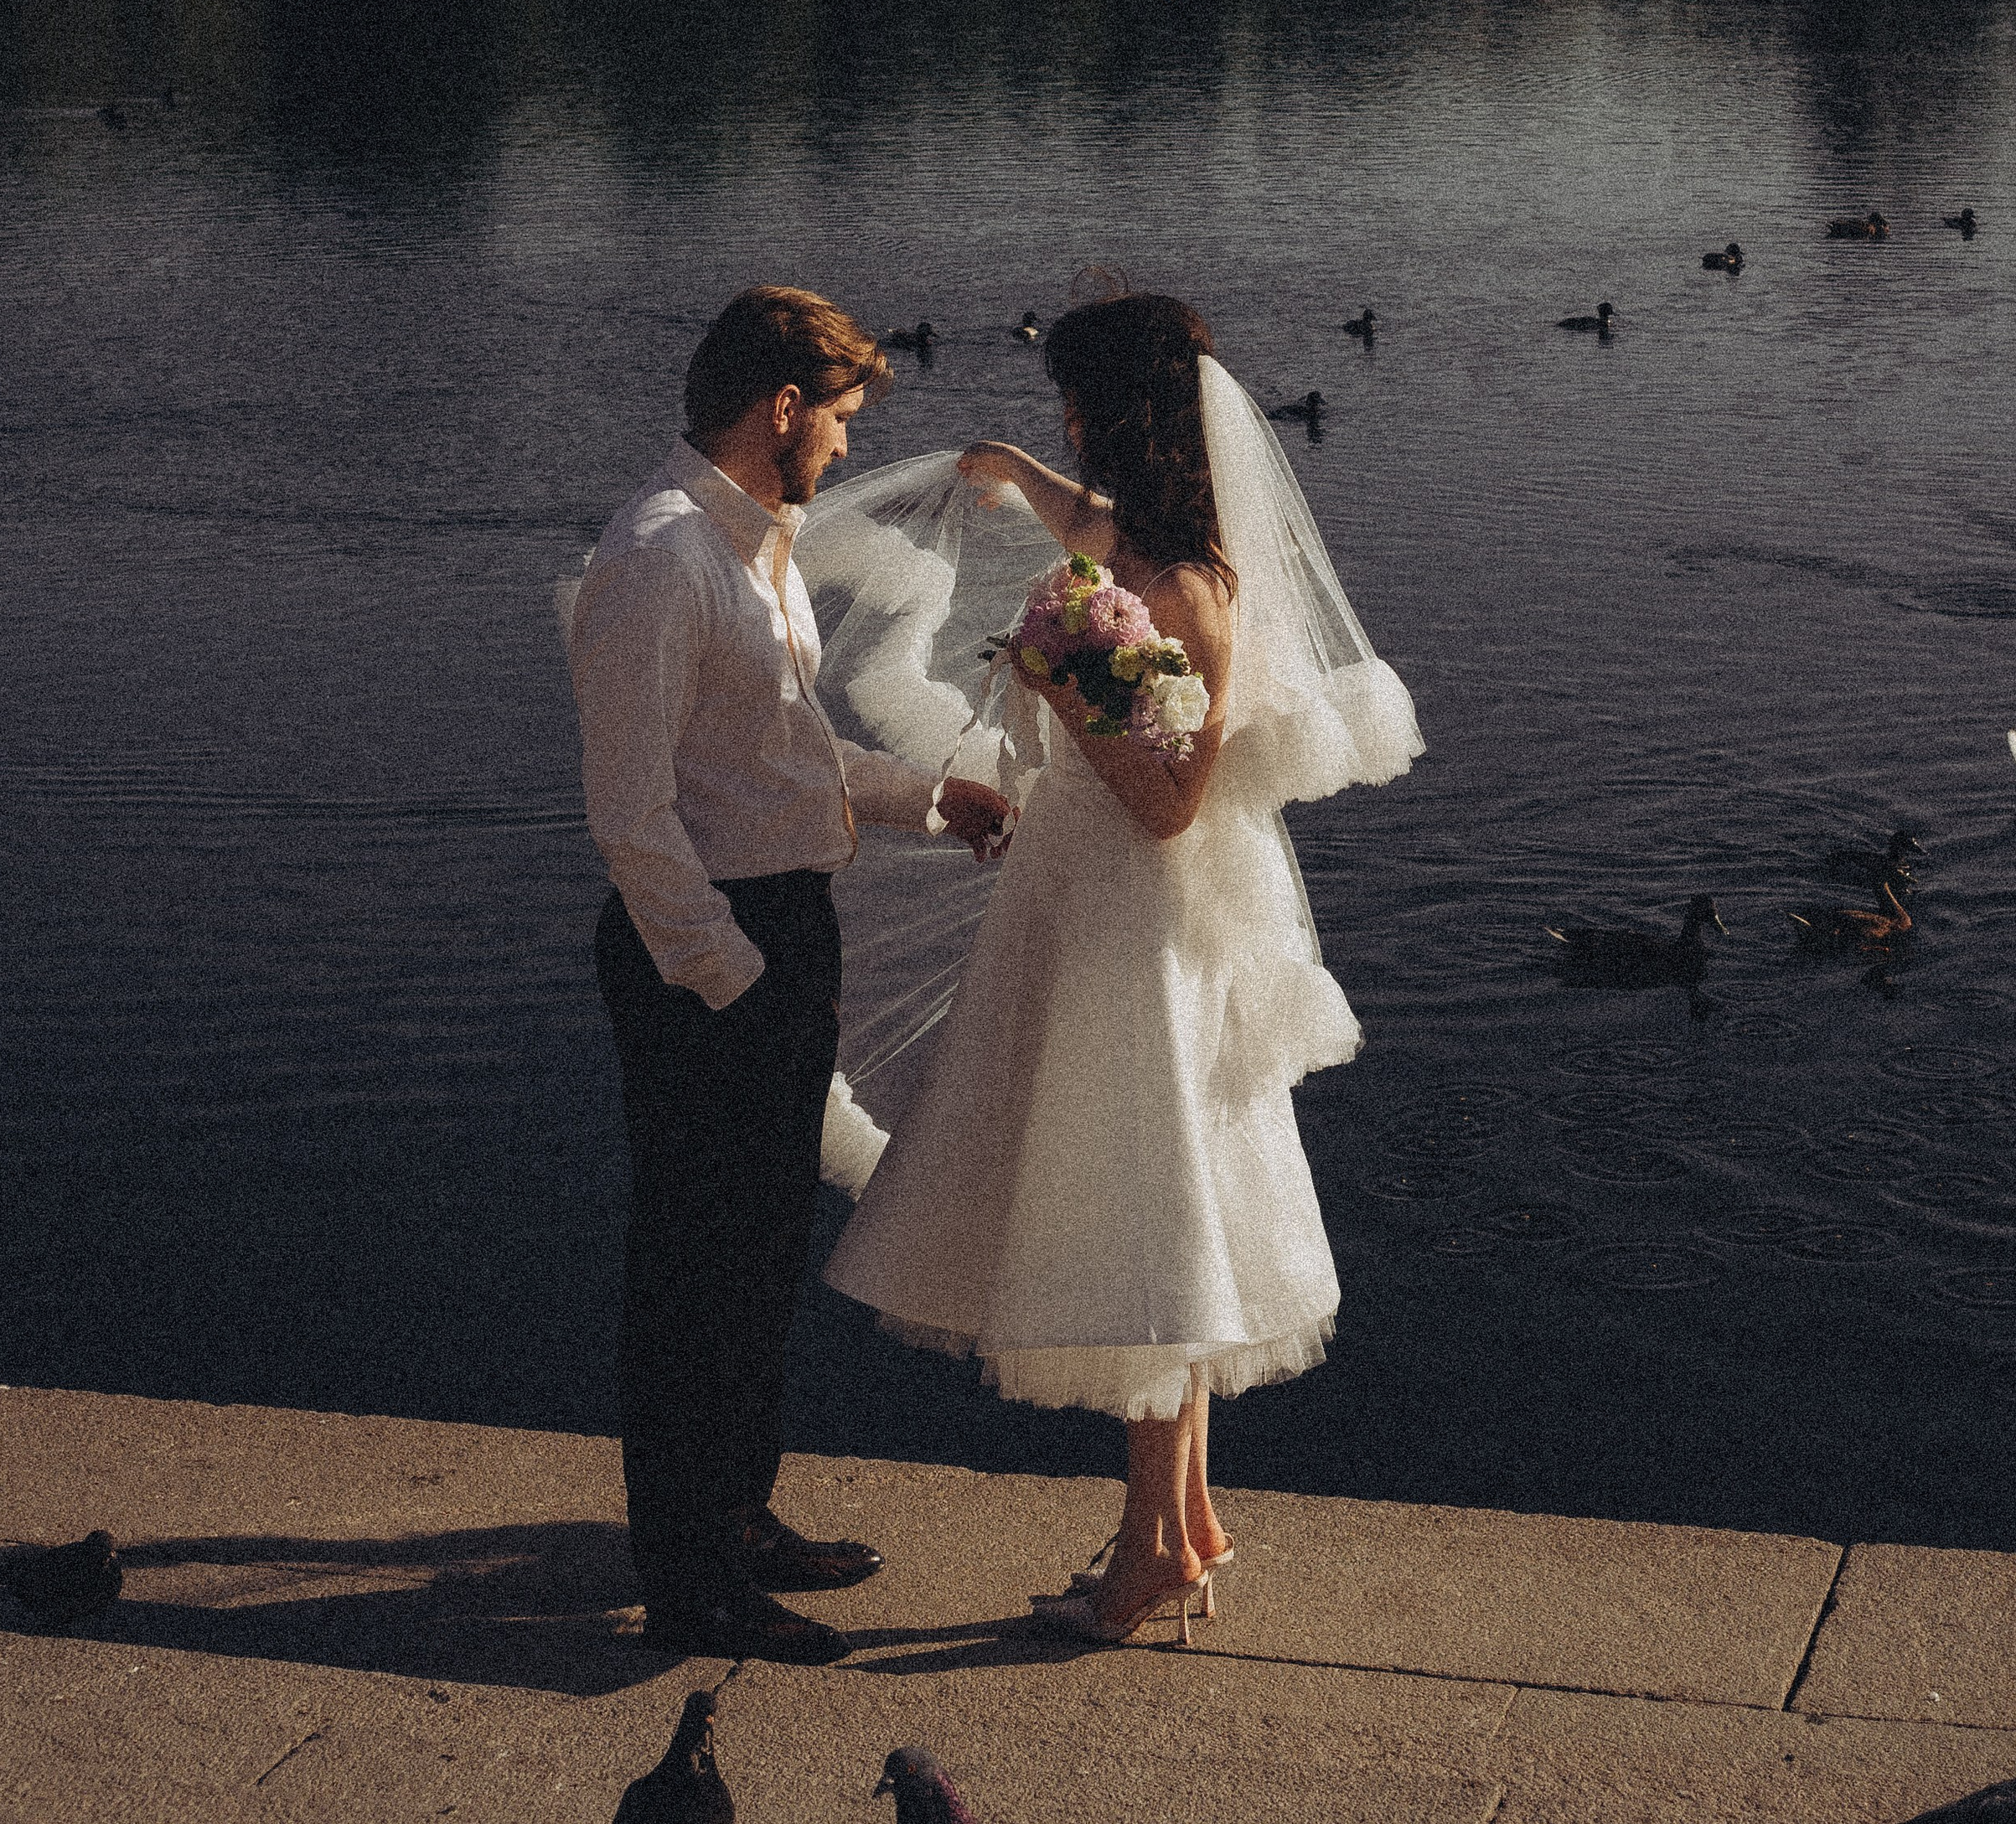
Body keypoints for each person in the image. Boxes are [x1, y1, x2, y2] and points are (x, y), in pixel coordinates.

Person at [823, 293, 1423, 1644]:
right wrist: (1011, 479)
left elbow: (1170, 800)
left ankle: (1155, 1548)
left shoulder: (1187, 591)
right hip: (1087, 909)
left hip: (1137, 929)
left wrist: (1058, 673)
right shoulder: (1138, 550)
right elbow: (1089, 537)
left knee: (1146, 1222)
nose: (1066, 430)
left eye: (1074, 409)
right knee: (1170, 1213)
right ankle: (1182, 1523)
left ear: (1120, 413)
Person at [569, 286, 1012, 1663]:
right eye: (837, 419)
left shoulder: (751, 550)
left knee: (758, 1254)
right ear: (781, 409)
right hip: (709, 952)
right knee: (693, 1266)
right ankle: (689, 1578)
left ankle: (737, 1518)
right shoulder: (656, 559)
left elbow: (784, 760)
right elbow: (632, 820)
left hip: (774, 930)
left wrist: (937, 801)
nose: (842, 446)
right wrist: (735, 980)